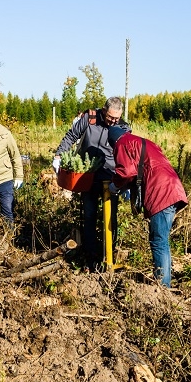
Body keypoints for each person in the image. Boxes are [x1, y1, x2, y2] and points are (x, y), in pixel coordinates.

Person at [52, 96, 130, 271]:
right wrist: (58, 155)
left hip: (111, 178)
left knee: (111, 218)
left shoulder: (123, 127)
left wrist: (126, 182)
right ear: (104, 111)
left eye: (116, 118)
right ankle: (90, 257)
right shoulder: (90, 118)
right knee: (89, 215)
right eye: (110, 117)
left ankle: (108, 252)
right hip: (88, 175)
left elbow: (128, 154)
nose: (113, 122)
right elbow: (71, 135)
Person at [107, 126, 188, 287]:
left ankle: (163, 288)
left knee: (159, 241)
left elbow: (126, 171)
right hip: (173, 187)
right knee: (162, 240)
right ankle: (165, 282)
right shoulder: (144, 142)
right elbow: (143, 167)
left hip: (161, 191)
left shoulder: (121, 143)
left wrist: (115, 186)